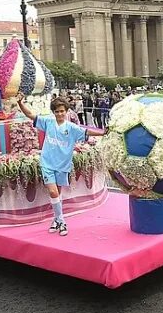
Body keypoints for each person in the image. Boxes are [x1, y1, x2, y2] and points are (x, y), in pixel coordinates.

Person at [15, 94, 106, 236]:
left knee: (57, 194)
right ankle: (62, 221)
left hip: (62, 165)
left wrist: (104, 133)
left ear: (67, 111)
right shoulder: (48, 122)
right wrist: (20, 103)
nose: (60, 114)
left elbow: (87, 132)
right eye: (57, 111)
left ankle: (56, 220)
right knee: (52, 192)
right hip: (47, 163)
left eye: (62, 111)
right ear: (53, 112)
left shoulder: (72, 128)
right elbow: (31, 115)